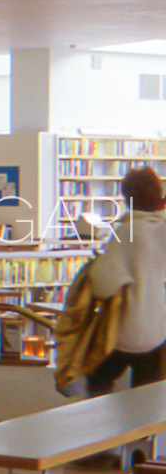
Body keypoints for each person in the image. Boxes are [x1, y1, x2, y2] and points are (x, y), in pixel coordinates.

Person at [86, 166, 166, 394]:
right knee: (146, 401)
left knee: (96, 384)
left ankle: (100, 427)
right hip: (158, 331)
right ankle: (142, 431)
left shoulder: (127, 233)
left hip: (124, 331)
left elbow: (102, 285)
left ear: (128, 199)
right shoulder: (162, 229)